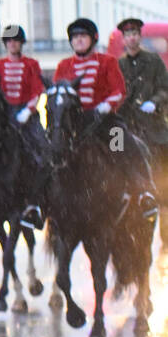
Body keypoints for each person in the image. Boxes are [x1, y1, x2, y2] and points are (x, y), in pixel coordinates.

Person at [51, 18, 157, 222]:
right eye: (75, 38)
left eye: (83, 37)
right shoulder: (64, 65)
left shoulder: (107, 61)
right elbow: (58, 93)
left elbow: (119, 90)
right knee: (52, 150)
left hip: (105, 122)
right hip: (74, 124)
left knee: (124, 144)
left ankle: (143, 192)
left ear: (93, 39)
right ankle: (39, 204)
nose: (78, 41)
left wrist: (107, 105)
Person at [0, 24, 50, 231]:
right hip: (7, 120)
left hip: (28, 119)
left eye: (16, 41)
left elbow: (37, 91)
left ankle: (38, 202)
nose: (12, 44)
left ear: (21, 44)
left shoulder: (31, 64)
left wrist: (28, 110)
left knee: (43, 154)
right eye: (9, 41)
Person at [115, 17, 168, 190]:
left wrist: (154, 102)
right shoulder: (118, 65)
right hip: (126, 124)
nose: (132, 38)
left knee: (163, 154)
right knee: (113, 152)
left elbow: (164, 88)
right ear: (123, 39)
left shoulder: (154, 61)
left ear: (140, 37)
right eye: (128, 35)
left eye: (135, 34)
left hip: (151, 122)